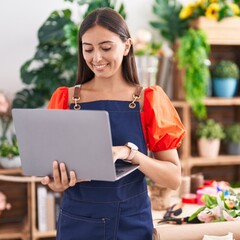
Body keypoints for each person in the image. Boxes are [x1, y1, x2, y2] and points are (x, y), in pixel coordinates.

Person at [41, 7, 185, 240]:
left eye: (106, 48)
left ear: (127, 46)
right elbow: (52, 173)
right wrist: (57, 183)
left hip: (132, 222)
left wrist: (129, 154)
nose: (96, 58)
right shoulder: (65, 100)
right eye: (88, 49)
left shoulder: (148, 100)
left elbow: (173, 178)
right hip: (77, 221)